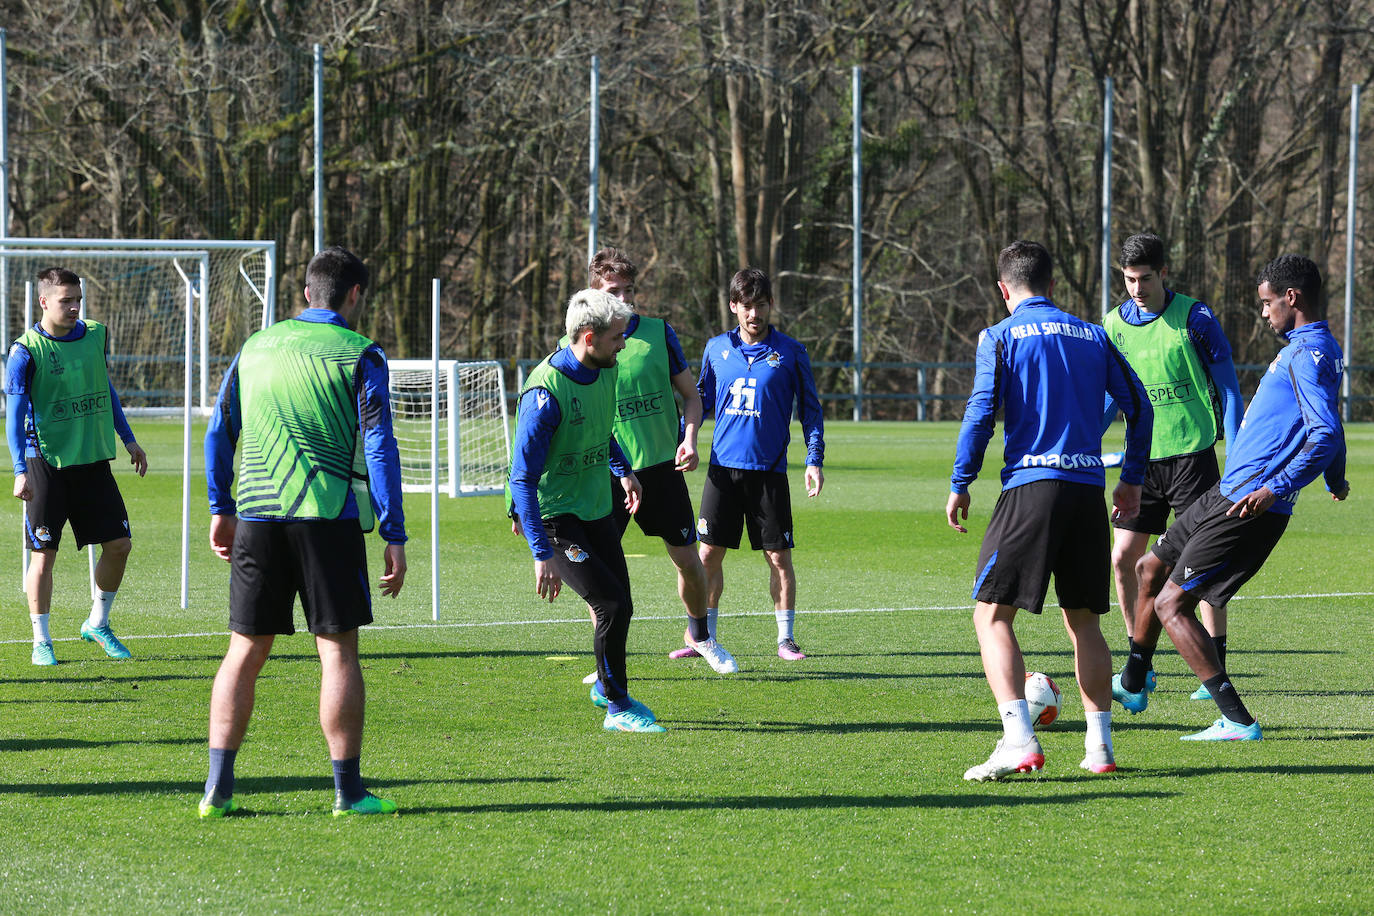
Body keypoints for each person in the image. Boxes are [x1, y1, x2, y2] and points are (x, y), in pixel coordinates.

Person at [200, 246, 408, 817]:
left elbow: (219, 432)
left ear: (305, 293)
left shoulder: (255, 346)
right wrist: (393, 531)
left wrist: (222, 506)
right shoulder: (361, 353)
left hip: (257, 516)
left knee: (243, 651)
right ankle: (348, 793)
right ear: (355, 294)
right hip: (326, 519)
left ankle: (217, 791)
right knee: (337, 653)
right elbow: (379, 444)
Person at [1113, 254, 1348, 740]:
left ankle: (1237, 720)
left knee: (1171, 604)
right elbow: (1332, 427)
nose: (1263, 313)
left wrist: (1276, 487)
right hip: (1226, 491)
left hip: (1248, 501)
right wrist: (1335, 480)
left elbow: (1325, 433)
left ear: (1291, 298)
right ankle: (1134, 682)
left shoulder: (1308, 354)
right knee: (1148, 569)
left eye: (1267, 302)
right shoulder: (1312, 348)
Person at [946, 240, 1152, 781]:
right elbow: (1140, 408)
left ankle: (1018, 740)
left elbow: (980, 413)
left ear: (1003, 288)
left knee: (991, 616)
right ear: (1053, 285)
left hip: (1031, 487)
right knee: (1084, 622)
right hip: (1086, 491)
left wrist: (961, 481)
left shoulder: (999, 336)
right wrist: (1131, 480)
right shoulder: (1094, 335)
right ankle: (1100, 748)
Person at [508, 287, 664, 733]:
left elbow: (601, 429)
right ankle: (617, 706)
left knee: (623, 604)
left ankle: (605, 688)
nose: (624, 345)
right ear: (589, 338)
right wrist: (541, 552)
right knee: (609, 604)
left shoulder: (605, 369)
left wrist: (623, 470)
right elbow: (522, 478)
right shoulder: (544, 394)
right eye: (617, 337)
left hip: (595, 506)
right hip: (555, 517)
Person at [580, 248, 737, 674]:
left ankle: (701, 636)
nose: (624, 299)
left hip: (660, 469)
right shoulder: (581, 343)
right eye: (614, 291)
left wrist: (689, 439)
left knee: (687, 559)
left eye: (629, 290)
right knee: (602, 573)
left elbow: (692, 397)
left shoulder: (657, 332)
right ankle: (608, 661)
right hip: (606, 475)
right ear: (594, 293)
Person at [1103, 233, 1244, 703]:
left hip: (1192, 457)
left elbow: (1229, 389)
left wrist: (1238, 456)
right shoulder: (1112, 325)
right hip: (1141, 463)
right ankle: (1139, 663)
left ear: (1163, 273)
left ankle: (1214, 662)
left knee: (1199, 563)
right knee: (1123, 559)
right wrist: (1083, 438)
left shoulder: (1196, 318)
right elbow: (1112, 397)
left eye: (1145, 278)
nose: (1137, 289)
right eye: (1129, 280)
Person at [6, 267, 149, 666]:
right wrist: (19, 470)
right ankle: (41, 641)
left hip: (92, 461)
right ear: (44, 301)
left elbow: (105, 388)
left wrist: (128, 438)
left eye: (78, 300)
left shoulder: (96, 335)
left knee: (119, 545)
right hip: (45, 463)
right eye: (65, 300)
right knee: (43, 556)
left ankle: (98, 623)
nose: (74, 307)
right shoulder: (25, 351)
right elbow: (13, 418)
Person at [696, 268, 824, 661]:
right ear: (733, 306)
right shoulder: (715, 349)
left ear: (771, 305)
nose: (755, 314)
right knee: (707, 556)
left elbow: (810, 410)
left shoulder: (791, 352)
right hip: (722, 471)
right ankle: (703, 637)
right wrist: (684, 440)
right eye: (747, 305)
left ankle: (786, 639)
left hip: (769, 471)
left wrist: (814, 459)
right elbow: (699, 402)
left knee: (779, 558)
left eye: (762, 304)